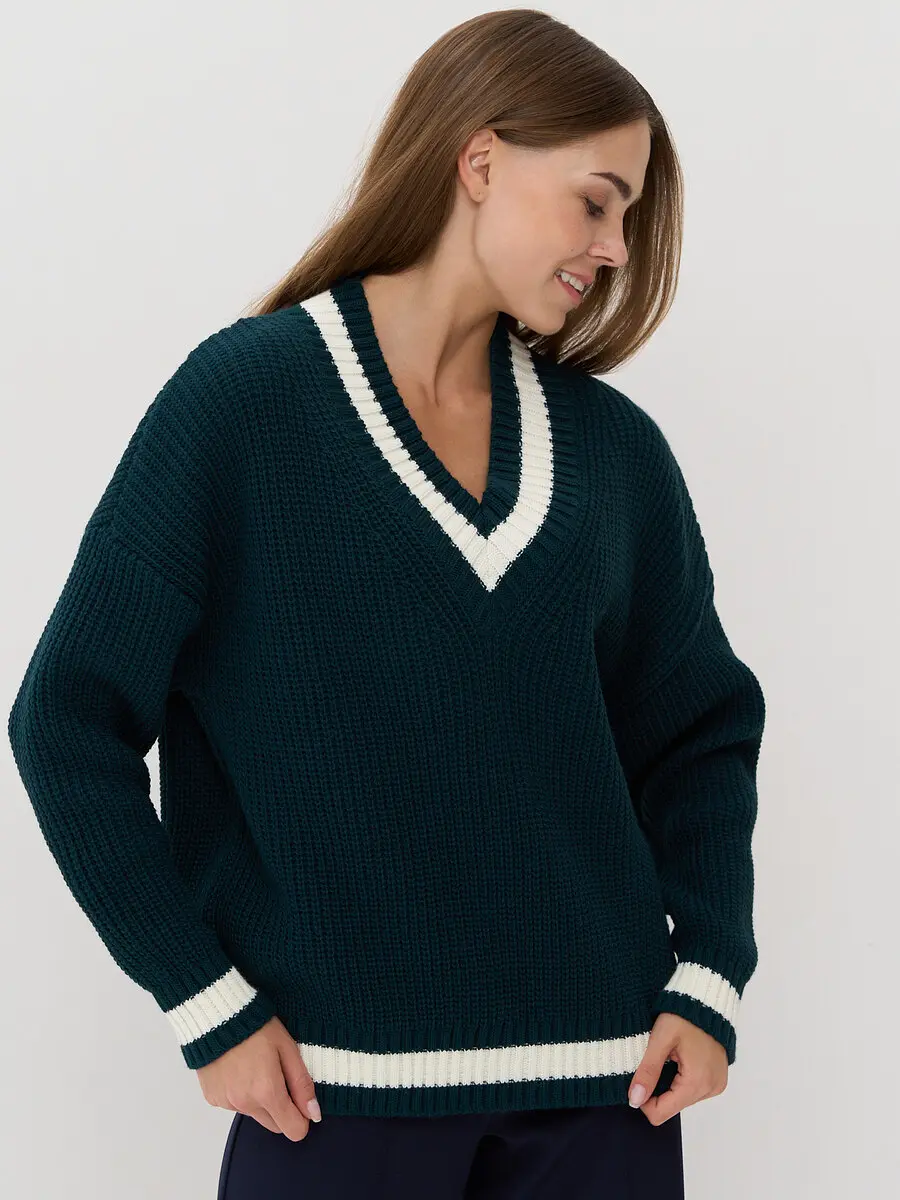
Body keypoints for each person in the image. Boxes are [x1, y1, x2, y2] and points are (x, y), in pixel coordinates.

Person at [7, 10, 766, 1199]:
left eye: (627, 217)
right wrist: (202, 999)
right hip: (333, 1100)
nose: (616, 248)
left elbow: (700, 731)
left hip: (607, 1100)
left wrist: (710, 974)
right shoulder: (242, 409)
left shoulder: (613, 452)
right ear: (481, 161)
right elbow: (66, 722)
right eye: (597, 201)